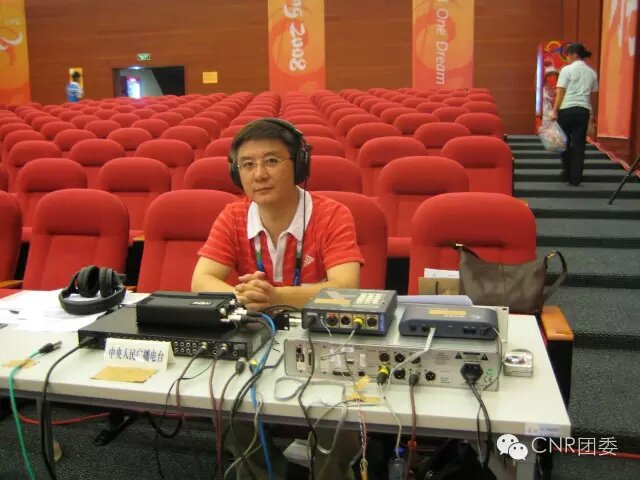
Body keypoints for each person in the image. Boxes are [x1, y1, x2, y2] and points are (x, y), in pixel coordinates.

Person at [192, 118, 364, 479]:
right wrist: (242, 295)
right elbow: (201, 280)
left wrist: (274, 295)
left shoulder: (332, 214)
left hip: (322, 337)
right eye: (247, 164)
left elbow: (345, 287)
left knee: (340, 417)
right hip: (257, 332)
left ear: (299, 165)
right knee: (225, 399)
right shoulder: (233, 215)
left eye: (271, 161)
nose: (259, 174)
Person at [550, 43, 599, 186]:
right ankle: (576, 177)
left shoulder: (566, 70)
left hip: (566, 109)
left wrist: (554, 110)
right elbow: (593, 96)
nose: (567, 59)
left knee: (563, 143)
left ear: (574, 55)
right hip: (583, 111)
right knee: (579, 145)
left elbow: (560, 92)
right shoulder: (592, 73)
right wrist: (592, 115)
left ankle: (566, 172)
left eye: (568, 56)